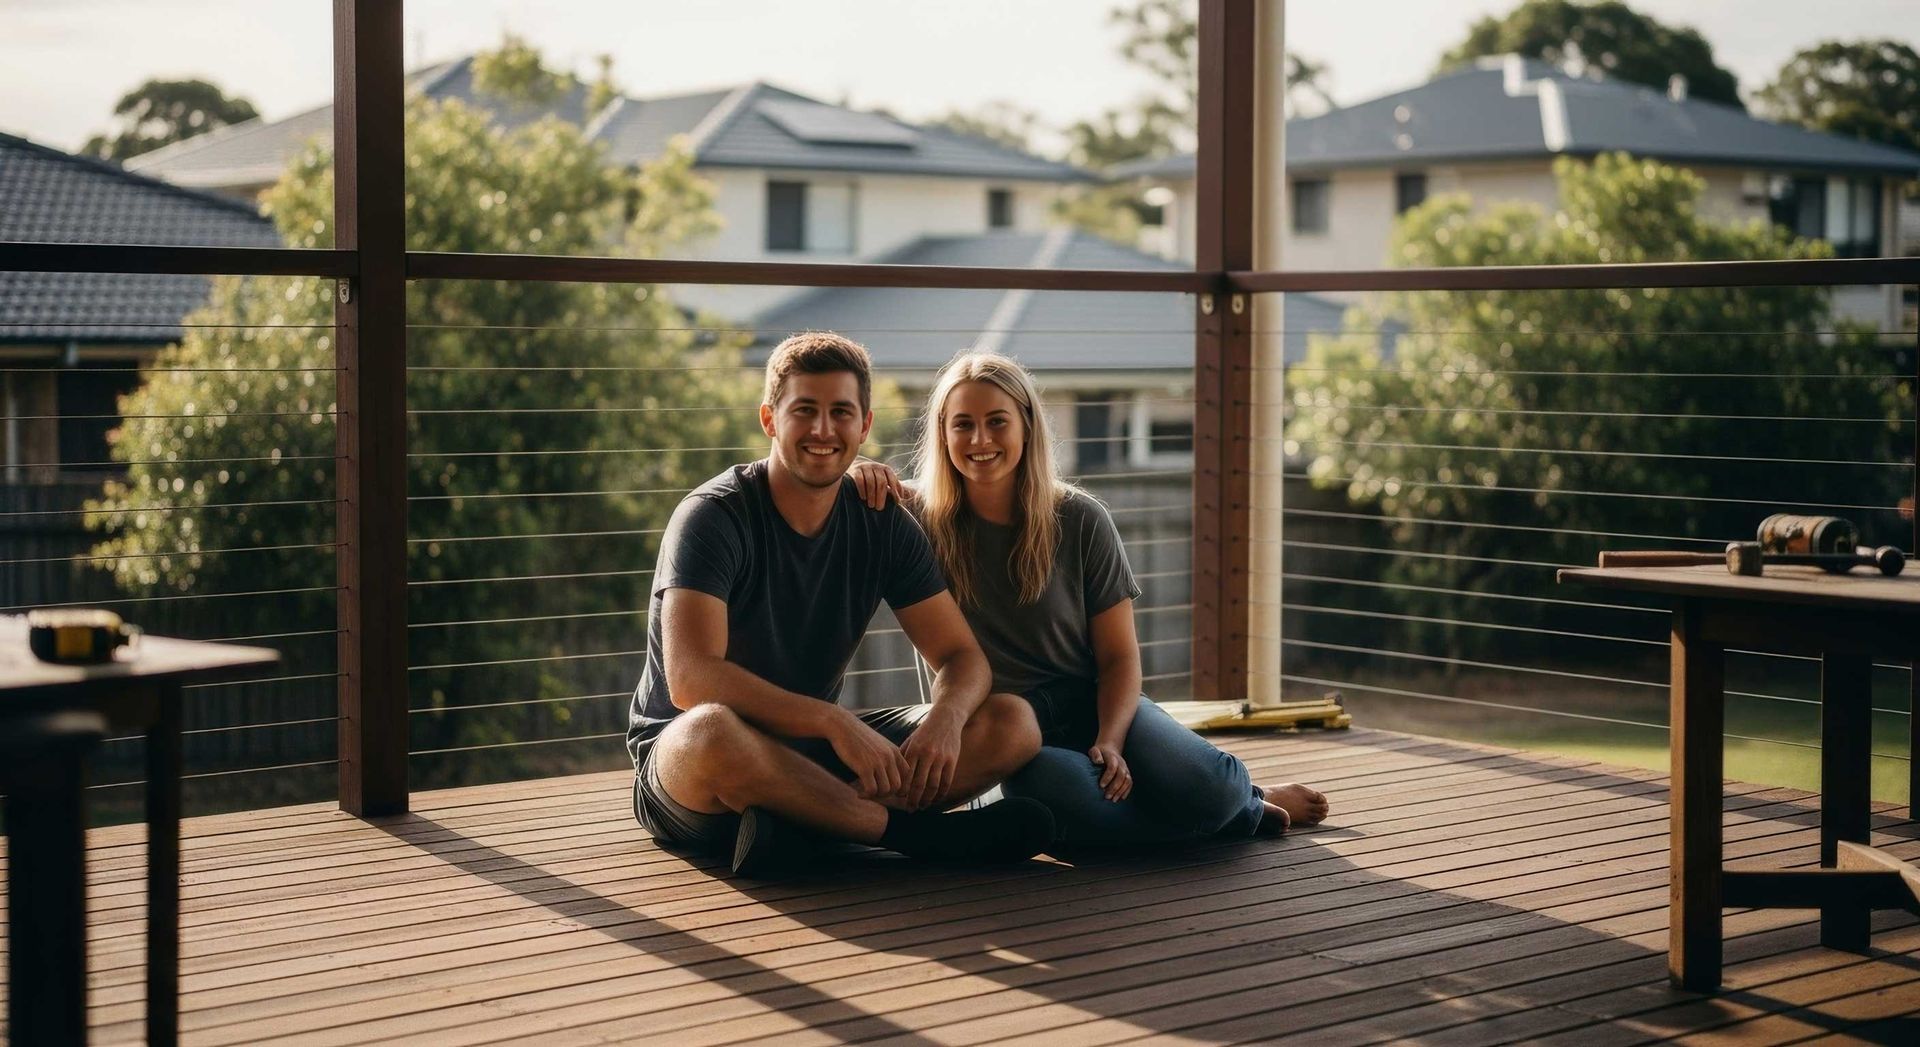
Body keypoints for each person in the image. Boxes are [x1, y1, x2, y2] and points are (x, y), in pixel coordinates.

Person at [851, 350, 1329, 847]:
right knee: (1047, 791)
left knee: (1209, 786)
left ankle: (1239, 801)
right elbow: (845, 495)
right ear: (942, 432)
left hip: (1092, 703)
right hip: (1005, 733)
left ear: (1028, 427)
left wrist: (1111, 740)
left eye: (997, 422)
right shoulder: (917, 520)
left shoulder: (1079, 518)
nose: (980, 440)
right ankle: (1234, 815)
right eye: (963, 424)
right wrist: (857, 472)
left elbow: (1120, 658)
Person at [628, 332, 1053, 877]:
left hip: (809, 754)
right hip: (695, 771)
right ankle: (913, 836)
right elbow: (691, 680)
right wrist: (833, 722)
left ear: (865, 426)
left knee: (1012, 721)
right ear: (769, 419)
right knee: (709, 730)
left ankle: (811, 827)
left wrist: (946, 720)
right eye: (805, 410)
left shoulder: (879, 521)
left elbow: (961, 657)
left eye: (840, 412)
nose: (823, 430)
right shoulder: (713, 516)